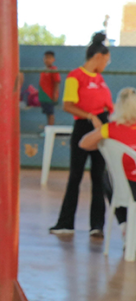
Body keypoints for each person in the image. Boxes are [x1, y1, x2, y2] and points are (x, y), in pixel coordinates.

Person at [50, 32, 113, 237]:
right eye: (106, 60)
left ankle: (97, 225)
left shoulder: (101, 79)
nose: (107, 64)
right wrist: (90, 116)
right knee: (75, 175)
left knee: (99, 176)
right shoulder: (75, 76)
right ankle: (65, 223)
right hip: (84, 127)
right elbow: (68, 105)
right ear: (98, 57)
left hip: (101, 129)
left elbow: (108, 106)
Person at [79, 86, 136, 226]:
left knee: (107, 177)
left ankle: (124, 223)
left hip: (125, 189)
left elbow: (84, 144)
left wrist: (104, 145)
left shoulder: (110, 129)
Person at [39, 50, 61, 127]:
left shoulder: (54, 69)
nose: (47, 60)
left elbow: (57, 82)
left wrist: (55, 94)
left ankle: (50, 129)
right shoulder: (44, 70)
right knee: (47, 114)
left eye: (49, 58)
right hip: (44, 96)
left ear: (53, 59)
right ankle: (48, 128)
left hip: (49, 96)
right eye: (45, 58)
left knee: (50, 113)